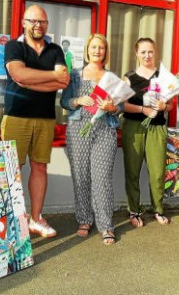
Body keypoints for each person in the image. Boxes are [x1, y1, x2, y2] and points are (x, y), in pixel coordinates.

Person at [2, 5, 70, 238]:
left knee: (40, 166)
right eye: (33, 21)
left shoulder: (55, 49)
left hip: (45, 118)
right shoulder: (14, 46)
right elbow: (18, 74)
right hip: (16, 116)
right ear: (23, 22)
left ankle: (36, 219)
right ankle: (13, 221)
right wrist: (49, 76)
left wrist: (30, 81)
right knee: (13, 170)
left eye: (42, 22)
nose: (37, 25)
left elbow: (63, 82)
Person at [60, 33, 122, 245]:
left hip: (105, 130)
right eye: (93, 47)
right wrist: (77, 100)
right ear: (87, 50)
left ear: (105, 52)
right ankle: (85, 219)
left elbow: (120, 106)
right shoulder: (75, 75)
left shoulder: (112, 78)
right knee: (81, 176)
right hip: (79, 130)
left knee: (102, 178)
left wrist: (113, 107)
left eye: (101, 48)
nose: (97, 51)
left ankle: (106, 225)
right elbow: (64, 101)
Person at [122, 38, 173, 228]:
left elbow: (171, 104)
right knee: (133, 171)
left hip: (157, 128)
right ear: (136, 53)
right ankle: (134, 211)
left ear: (155, 52)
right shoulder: (128, 77)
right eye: (143, 52)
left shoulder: (163, 77)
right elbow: (122, 104)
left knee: (158, 172)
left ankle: (158, 209)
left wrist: (164, 106)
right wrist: (142, 109)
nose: (147, 55)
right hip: (133, 128)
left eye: (150, 51)